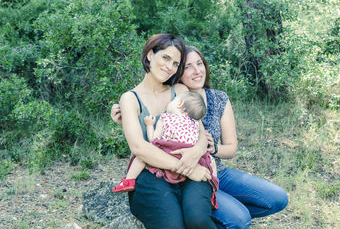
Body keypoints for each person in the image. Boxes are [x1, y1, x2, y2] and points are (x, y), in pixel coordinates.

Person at [112, 45, 288, 229]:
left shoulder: (218, 98)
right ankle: (219, 212)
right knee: (239, 219)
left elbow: (231, 147)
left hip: (213, 169)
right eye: (188, 67)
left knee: (277, 198)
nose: (197, 71)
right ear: (178, 74)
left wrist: (212, 148)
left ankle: (220, 210)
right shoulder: (175, 97)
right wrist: (123, 117)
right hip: (188, 172)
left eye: (199, 64)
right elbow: (149, 124)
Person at [115, 34, 217, 229]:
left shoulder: (179, 90)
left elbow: (200, 133)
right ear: (150, 55)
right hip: (153, 173)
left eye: (176, 63)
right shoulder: (130, 99)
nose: (170, 67)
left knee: (198, 220)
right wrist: (188, 168)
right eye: (166, 58)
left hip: (191, 165)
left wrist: (195, 155)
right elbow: (139, 147)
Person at [112, 91, 218, 198]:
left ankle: (129, 180)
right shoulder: (194, 122)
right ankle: (213, 189)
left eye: (173, 100)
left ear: (180, 104)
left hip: (170, 153)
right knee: (211, 161)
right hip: (190, 156)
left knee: (141, 158)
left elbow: (154, 139)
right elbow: (201, 138)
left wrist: (149, 125)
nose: (170, 102)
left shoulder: (166, 118)